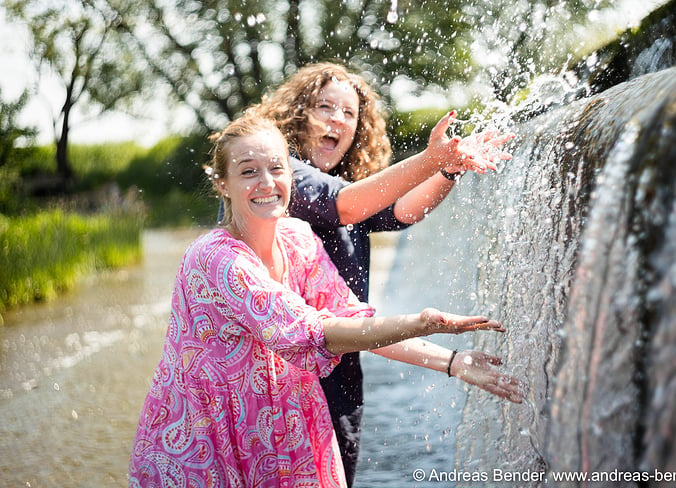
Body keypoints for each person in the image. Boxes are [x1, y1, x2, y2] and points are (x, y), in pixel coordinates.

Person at [129, 113, 517, 487]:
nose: (266, 183)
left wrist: (452, 361)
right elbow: (319, 333)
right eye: (248, 171)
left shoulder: (298, 239)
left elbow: (354, 320)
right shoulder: (214, 258)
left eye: (277, 168)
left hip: (286, 432)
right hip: (208, 443)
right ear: (222, 184)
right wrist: (420, 321)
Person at [250, 62, 518, 486]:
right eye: (325, 107)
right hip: (283, 386)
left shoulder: (346, 185)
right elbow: (349, 205)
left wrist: (449, 170)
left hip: (339, 375)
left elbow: (402, 212)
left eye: (350, 114)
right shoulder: (280, 178)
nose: (338, 119)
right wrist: (431, 159)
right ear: (298, 113)